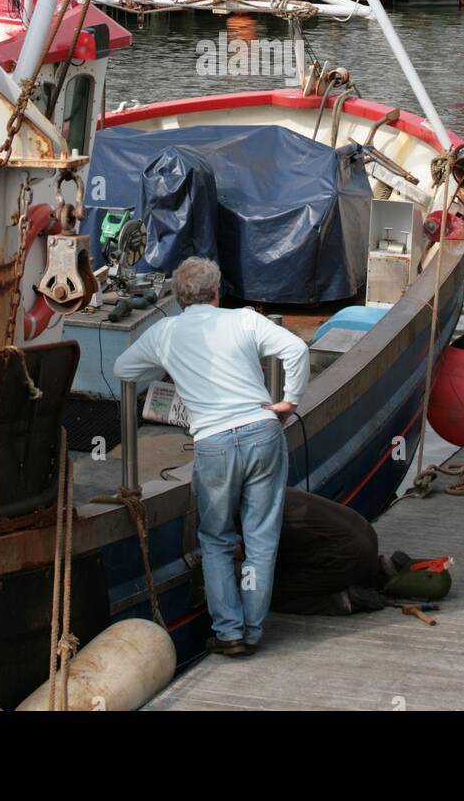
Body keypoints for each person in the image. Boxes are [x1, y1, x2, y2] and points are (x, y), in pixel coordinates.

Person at [113, 256, 309, 657]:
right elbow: (295, 350)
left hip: (214, 443)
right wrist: (290, 401)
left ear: (178, 297)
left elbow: (123, 369)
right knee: (260, 539)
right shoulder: (245, 320)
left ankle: (229, 632)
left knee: (216, 539)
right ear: (217, 293)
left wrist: (170, 366)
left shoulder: (165, 332)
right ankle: (252, 629)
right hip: (262, 431)